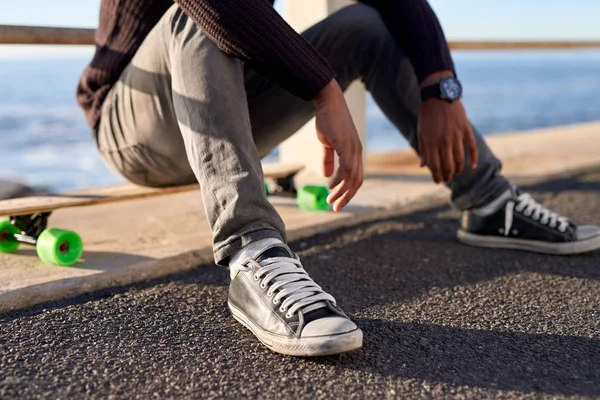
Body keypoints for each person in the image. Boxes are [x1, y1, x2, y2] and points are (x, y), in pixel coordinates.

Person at [76, 0, 600, 357]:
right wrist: (324, 89)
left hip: (219, 105)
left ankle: (487, 200)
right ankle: (251, 249)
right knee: (193, 14)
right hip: (134, 126)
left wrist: (442, 86)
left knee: (364, 25)